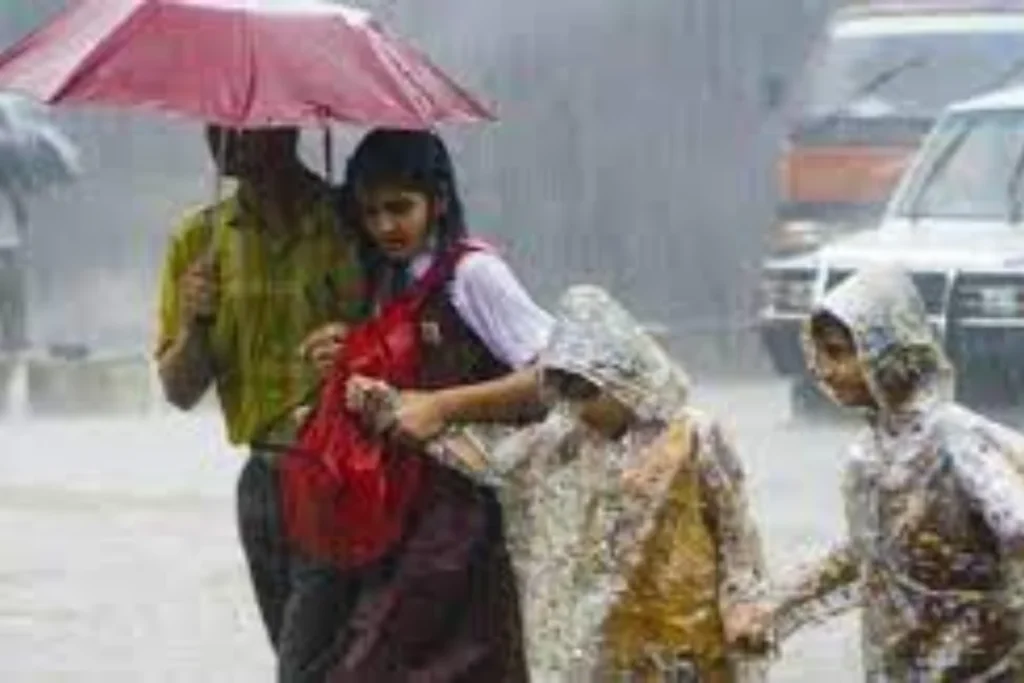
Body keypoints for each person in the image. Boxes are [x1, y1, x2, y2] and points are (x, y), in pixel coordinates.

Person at [286, 127, 553, 682]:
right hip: (401, 515)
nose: (385, 226)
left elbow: (556, 378)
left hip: (471, 522)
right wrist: (348, 365)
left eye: (399, 208)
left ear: (439, 200)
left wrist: (442, 406)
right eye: (370, 212)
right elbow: (400, 394)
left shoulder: (474, 275)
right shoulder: (391, 279)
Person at [422, 285, 770, 682]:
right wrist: (406, 417)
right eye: (566, 392)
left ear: (622, 377)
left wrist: (743, 607)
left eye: (587, 391)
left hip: (691, 643)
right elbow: (494, 461)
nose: (579, 407)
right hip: (611, 650)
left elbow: (736, 536)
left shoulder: (693, 436)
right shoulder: (566, 442)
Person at [154, 126, 366, 681]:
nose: (220, 135)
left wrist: (357, 348)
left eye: (241, 124)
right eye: (213, 121)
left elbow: (406, 338)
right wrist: (195, 323)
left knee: (303, 668)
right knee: (310, 663)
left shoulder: (353, 222)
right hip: (262, 484)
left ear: (287, 125)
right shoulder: (198, 239)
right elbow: (179, 391)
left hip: (342, 476)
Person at [765, 266, 1024, 680]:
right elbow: (870, 552)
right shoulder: (870, 454)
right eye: (819, 355)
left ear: (887, 349)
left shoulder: (953, 439)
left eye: (838, 353)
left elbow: (1017, 528)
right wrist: (777, 604)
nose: (824, 371)